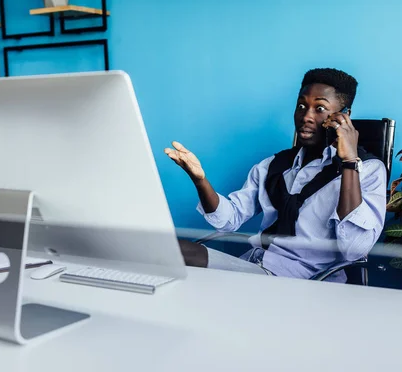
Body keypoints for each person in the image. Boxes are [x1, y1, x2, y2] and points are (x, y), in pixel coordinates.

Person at [165, 68, 387, 282]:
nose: (306, 116)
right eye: (301, 105)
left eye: (319, 108)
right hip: (255, 269)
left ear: (344, 116)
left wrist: (349, 161)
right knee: (173, 251)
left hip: (308, 283)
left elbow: (355, 250)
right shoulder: (275, 165)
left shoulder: (368, 170)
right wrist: (199, 180)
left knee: (185, 258)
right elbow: (229, 219)